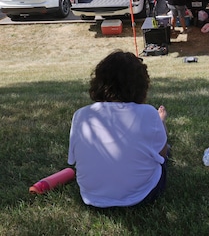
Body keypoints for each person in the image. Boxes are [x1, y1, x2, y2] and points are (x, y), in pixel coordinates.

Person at [68, 50, 170, 208]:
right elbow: (161, 154)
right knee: (164, 154)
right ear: (141, 85)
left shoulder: (81, 115)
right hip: (142, 195)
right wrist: (160, 121)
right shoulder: (148, 113)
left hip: (91, 197)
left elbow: (74, 159)